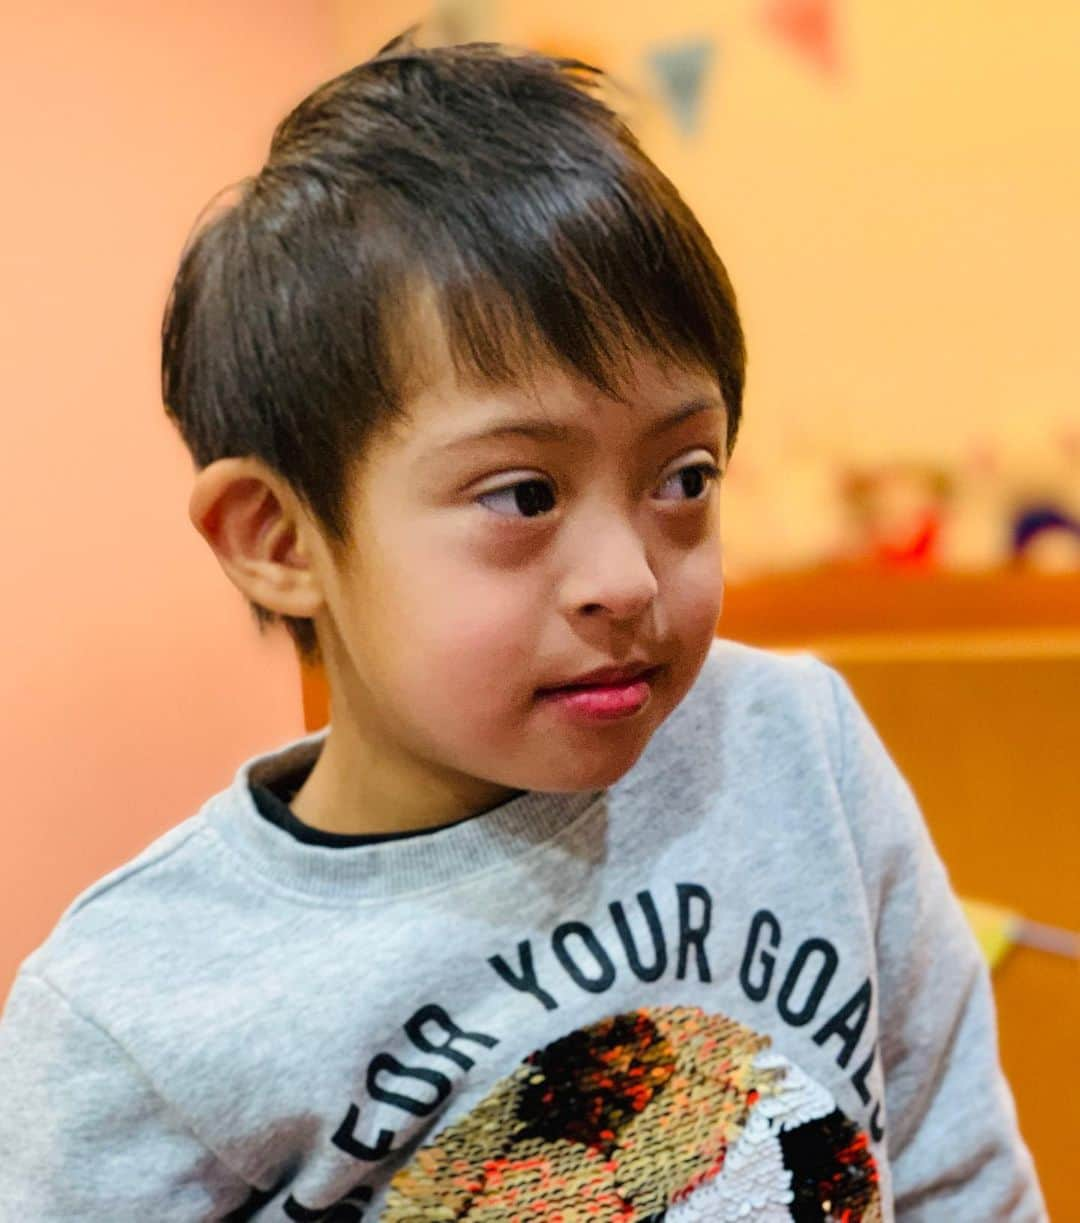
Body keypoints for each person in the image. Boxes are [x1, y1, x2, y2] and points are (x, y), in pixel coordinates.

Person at [0, 31, 1045, 1222]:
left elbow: (959, 1177)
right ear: (281, 539)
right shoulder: (135, 1017)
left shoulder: (802, 748)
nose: (627, 577)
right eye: (524, 495)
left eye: (684, 477)